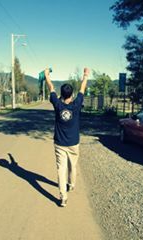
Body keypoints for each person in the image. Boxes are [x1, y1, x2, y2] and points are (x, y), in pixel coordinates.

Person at [44, 67, 90, 207]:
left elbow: (51, 87)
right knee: (73, 166)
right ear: (72, 94)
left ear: (61, 94)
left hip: (59, 143)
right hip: (73, 143)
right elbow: (82, 88)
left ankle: (63, 197)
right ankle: (72, 184)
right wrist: (85, 75)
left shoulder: (57, 104)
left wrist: (47, 75)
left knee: (61, 169)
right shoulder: (77, 104)